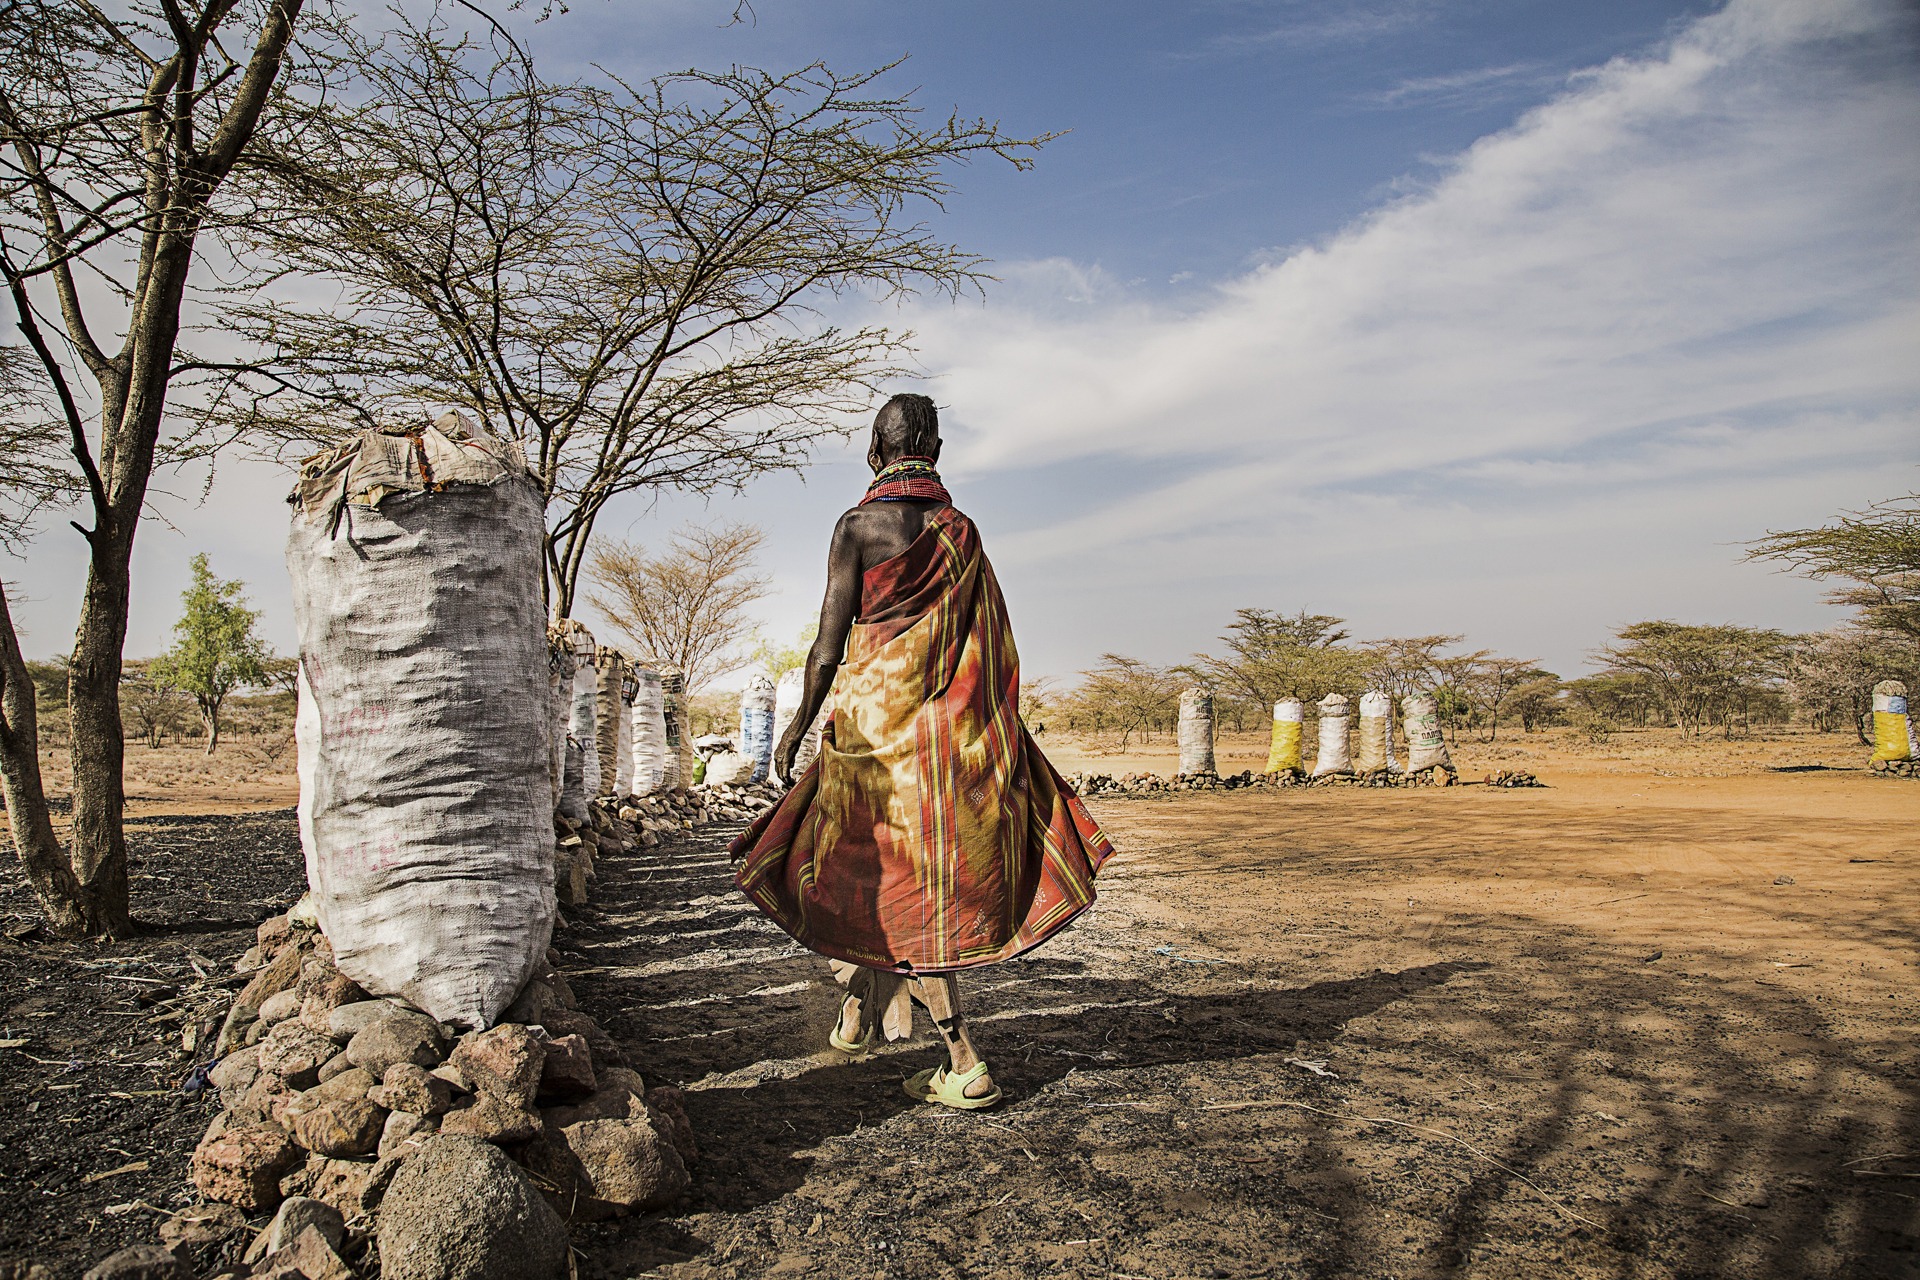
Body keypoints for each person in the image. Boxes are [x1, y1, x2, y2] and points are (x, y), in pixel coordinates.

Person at [731, 393, 1115, 1110]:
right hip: (946, 748)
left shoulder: (858, 526)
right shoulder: (960, 532)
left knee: (885, 890)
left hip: (870, 746)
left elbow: (826, 647)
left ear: (874, 452)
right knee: (890, 884)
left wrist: (794, 729)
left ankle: (963, 1060)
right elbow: (993, 647)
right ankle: (858, 1013)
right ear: (934, 452)